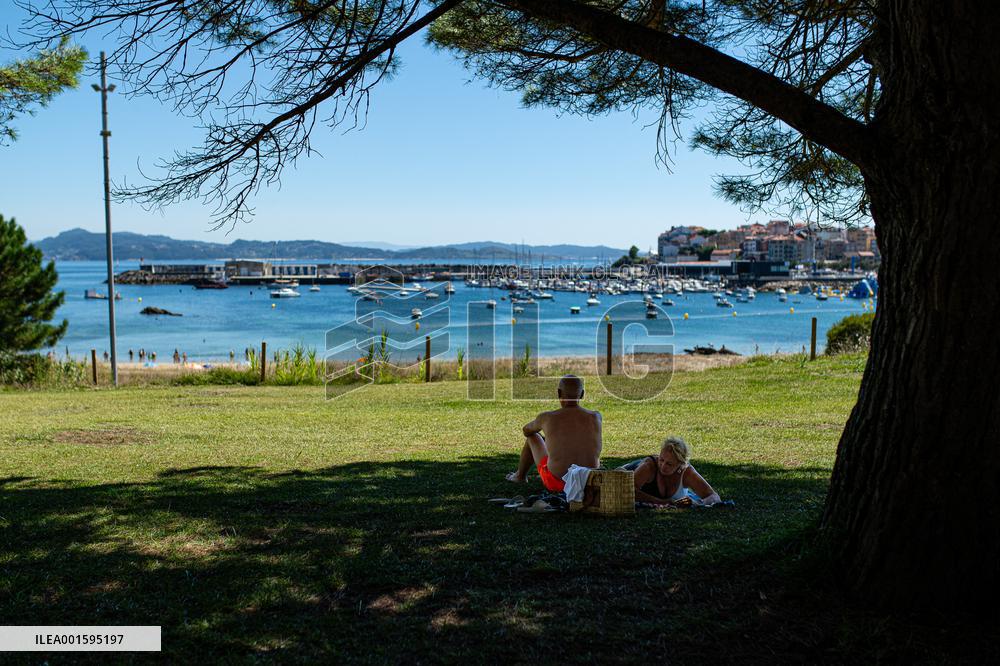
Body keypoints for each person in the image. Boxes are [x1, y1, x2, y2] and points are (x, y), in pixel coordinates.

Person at [506, 375, 602, 492]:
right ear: (582, 394)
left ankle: (519, 476)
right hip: (589, 482)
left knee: (533, 437)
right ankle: (520, 475)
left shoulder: (547, 417)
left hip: (558, 484)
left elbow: (526, 430)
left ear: (559, 392)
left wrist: (546, 434)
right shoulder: (596, 417)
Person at [631, 437, 720, 505]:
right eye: (661, 459)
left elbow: (713, 497)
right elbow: (628, 490)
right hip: (632, 468)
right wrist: (661, 502)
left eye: (669, 464)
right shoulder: (649, 466)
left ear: (680, 464)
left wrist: (697, 503)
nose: (663, 466)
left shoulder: (687, 472)